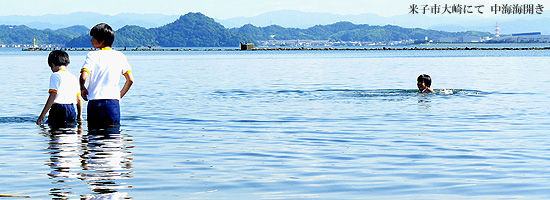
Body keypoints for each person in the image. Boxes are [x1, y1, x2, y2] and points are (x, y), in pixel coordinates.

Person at [80, 23, 134, 129]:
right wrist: (119, 95)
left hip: (95, 102)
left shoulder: (92, 55)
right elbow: (130, 80)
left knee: (94, 139)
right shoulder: (120, 56)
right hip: (112, 102)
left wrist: (82, 88)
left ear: (102, 40)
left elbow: (83, 77)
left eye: (93, 38)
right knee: (113, 140)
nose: (91, 40)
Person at [37, 50, 83, 127]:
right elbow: (79, 99)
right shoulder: (73, 77)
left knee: (55, 134)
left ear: (53, 64)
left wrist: (42, 114)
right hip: (71, 109)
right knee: (70, 133)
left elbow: (53, 95)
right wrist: (79, 115)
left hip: (58, 109)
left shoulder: (55, 75)